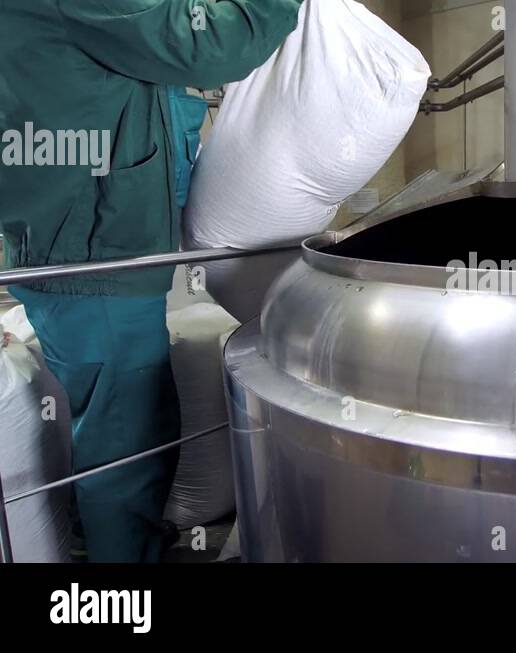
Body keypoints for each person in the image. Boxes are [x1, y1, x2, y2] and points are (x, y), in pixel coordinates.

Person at [0, 0, 303, 562]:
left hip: (77, 242)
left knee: (121, 426)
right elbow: (210, 46)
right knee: (126, 444)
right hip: (93, 254)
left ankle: (118, 538)